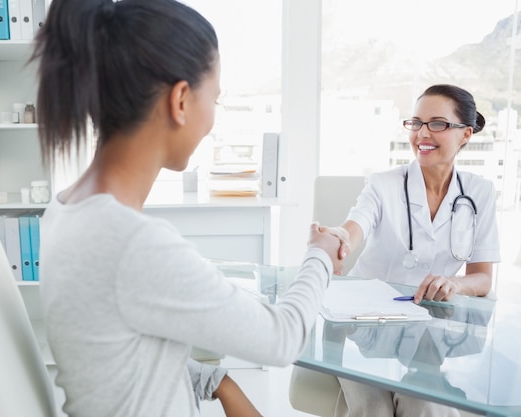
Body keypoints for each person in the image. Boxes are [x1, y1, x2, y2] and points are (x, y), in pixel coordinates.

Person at [29, 1, 344, 417]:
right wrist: (320, 253)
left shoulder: (67, 209)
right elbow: (281, 338)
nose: (212, 117)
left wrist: (218, 381)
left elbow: (119, 356)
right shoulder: (130, 241)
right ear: (180, 100)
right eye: (214, 97)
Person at [322, 83, 501, 417]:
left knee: (427, 406)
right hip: (364, 324)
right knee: (371, 409)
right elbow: (355, 225)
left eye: (437, 123)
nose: (422, 133)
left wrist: (455, 284)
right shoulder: (382, 183)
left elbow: (482, 279)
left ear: (465, 134)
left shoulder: (480, 192)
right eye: (416, 122)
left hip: (429, 330)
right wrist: (340, 236)